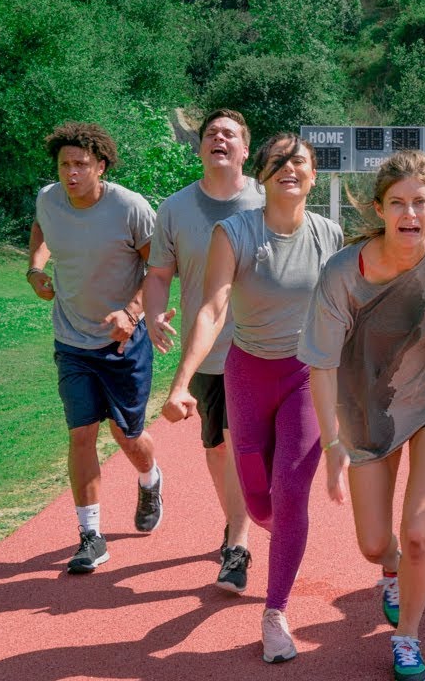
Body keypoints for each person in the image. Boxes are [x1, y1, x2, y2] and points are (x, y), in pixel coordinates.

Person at [300, 151, 425, 681]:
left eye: (420, 202)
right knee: (375, 544)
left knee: (418, 536)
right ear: (381, 210)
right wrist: (334, 447)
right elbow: (322, 366)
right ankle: (389, 572)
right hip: (367, 411)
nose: (410, 213)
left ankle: (407, 636)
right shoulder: (342, 272)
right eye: (398, 202)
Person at [160, 133, 342, 662]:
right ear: (261, 176)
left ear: (313, 176)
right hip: (246, 375)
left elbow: (346, 310)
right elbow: (212, 309)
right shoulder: (234, 232)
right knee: (259, 499)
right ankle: (268, 525)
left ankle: (275, 612)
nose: (290, 169)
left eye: (300, 162)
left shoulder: (329, 235)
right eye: (278, 162)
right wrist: (179, 384)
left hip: (305, 377)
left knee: (290, 493)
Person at [27, 122, 163, 575]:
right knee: (81, 432)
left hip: (122, 341)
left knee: (127, 436)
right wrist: (34, 269)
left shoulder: (130, 208)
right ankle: (90, 536)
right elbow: (40, 229)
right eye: (65, 164)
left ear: (100, 166)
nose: (71, 173)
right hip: (71, 340)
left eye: (81, 165)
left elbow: (158, 269)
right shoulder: (49, 199)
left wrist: (132, 312)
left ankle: (150, 478)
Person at [142, 109, 263, 592]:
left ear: (245, 150)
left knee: (243, 447)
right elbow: (157, 275)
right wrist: (153, 313)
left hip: (264, 350)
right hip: (206, 353)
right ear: (200, 148)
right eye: (211, 133)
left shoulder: (265, 199)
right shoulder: (174, 208)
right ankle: (237, 521)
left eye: (230, 133)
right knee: (217, 450)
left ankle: (238, 541)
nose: (219, 138)